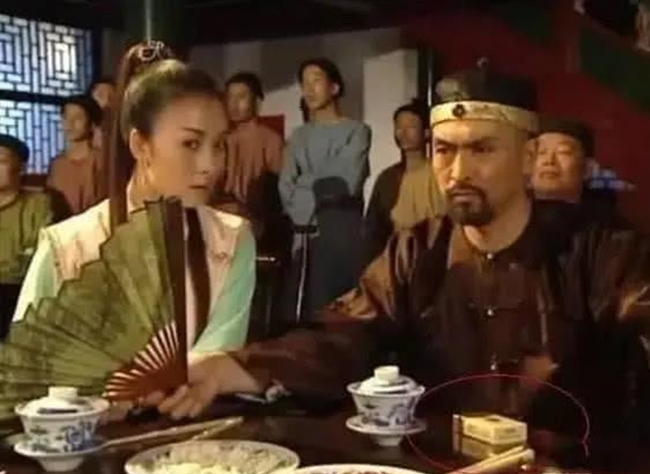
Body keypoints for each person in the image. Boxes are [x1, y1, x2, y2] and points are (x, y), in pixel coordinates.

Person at [146, 66, 650, 438]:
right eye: (444, 150)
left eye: (482, 149)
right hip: (439, 468)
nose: (458, 172)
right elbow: (343, 334)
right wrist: (225, 367)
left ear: (527, 157)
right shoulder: (417, 248)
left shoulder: (599, 245)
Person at [14, 41, 256, 360]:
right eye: (191, 143)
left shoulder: (232, 240)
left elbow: (215, 361)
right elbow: (26, 362)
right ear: (141, 145)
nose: (210, 165)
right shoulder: (67, 246)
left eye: (219, 145)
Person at [279, 58, 371, 320]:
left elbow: (344, 182)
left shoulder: (357, 131)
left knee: (341, 317)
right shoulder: (298, 136)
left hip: (342, 234)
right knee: (303, 314)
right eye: (304, 83)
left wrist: (306, 183)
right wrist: (315, 195)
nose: (309, 89)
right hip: (304, 235)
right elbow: (286, 187)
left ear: (334, 87)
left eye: (316, 81)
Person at [365, 99, 445, 262]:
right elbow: (375, 227)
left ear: (426, 132)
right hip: (397, 257)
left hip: (435, 256)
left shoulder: (439, 173)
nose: (403, 133)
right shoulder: (388, 177)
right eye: (399, 127)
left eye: (411, 127)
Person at [0, 135, 53, 339]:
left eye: (2, 161)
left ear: (21, 168)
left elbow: (38, 253)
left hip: (19, 289)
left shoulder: (38, 204)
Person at [219, 72, 284, 239]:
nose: (234, 104)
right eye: (230, 97)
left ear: (257, 101)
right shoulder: (219, 138)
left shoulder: (270, 139)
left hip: (254, 222)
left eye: (241, 97)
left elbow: (280, 190)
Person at [533, 116, 620, 222]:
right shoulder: (515, 220)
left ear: (588, 169)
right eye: (541, 152)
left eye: (563, 152)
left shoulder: (609, 228)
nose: (549, 160)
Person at [46, 95, 105, 216]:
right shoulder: (56, 164)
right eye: (66, 117)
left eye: (78, 118)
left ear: (92, 124)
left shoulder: (101, 160)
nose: (69, 123)